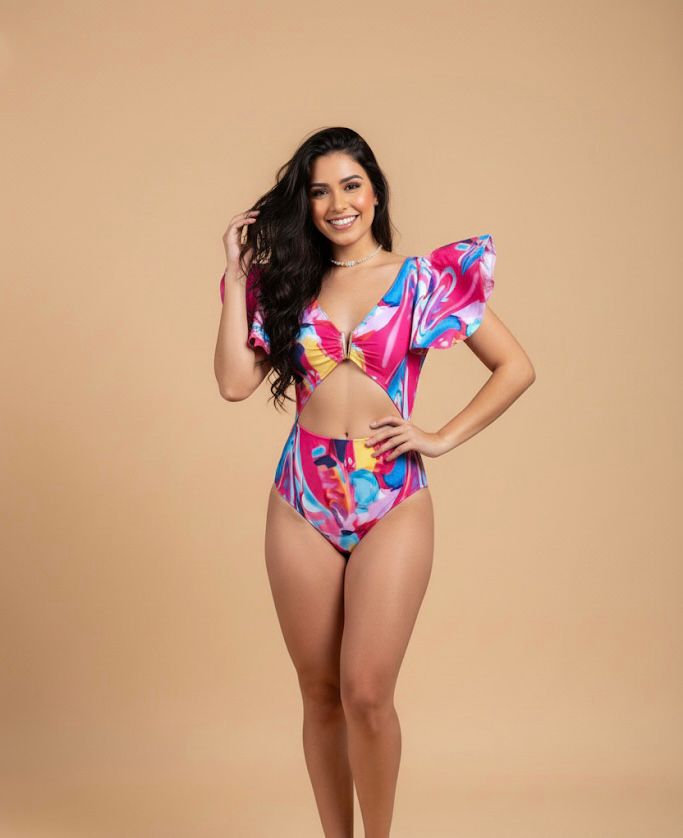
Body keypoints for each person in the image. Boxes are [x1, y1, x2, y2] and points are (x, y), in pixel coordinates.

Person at [214, 126, 535, 837]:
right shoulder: (288, 285)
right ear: (306, 203)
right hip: (300, 497)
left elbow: (515, 366)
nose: (338, 203)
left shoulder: (422, 280)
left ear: (376, 192)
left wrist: (439, 436)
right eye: (320, 191)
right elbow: (234, 383)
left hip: (392, 497)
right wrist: (237, 278)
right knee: (319, 693)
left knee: (365, 693)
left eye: (351, 185)